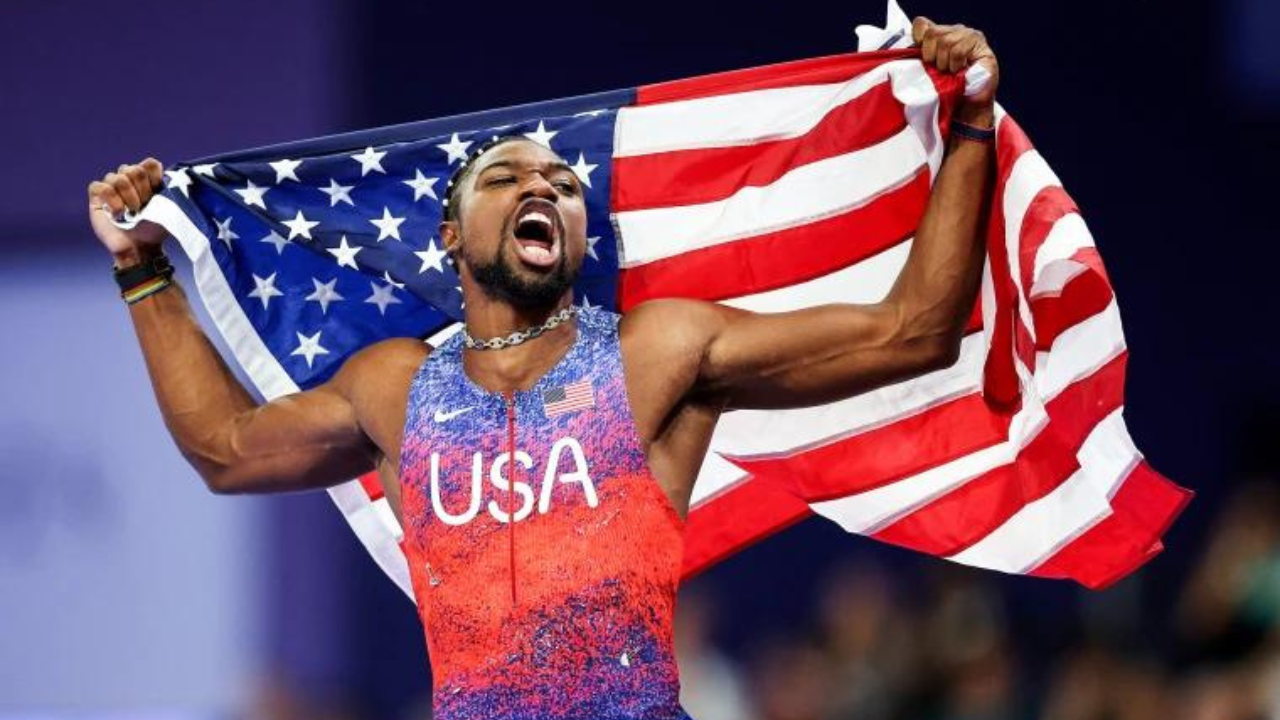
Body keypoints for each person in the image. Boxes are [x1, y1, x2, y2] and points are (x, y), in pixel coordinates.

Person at [86, 17, 998, 720]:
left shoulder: (657, 352)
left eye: (562, 185)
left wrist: (967, 127)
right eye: (504, 179)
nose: (540, 188)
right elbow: (225, 450)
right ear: (451, 238)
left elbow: (912, 332)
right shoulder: (393, 389)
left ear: (578, 232)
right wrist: (142, 269)